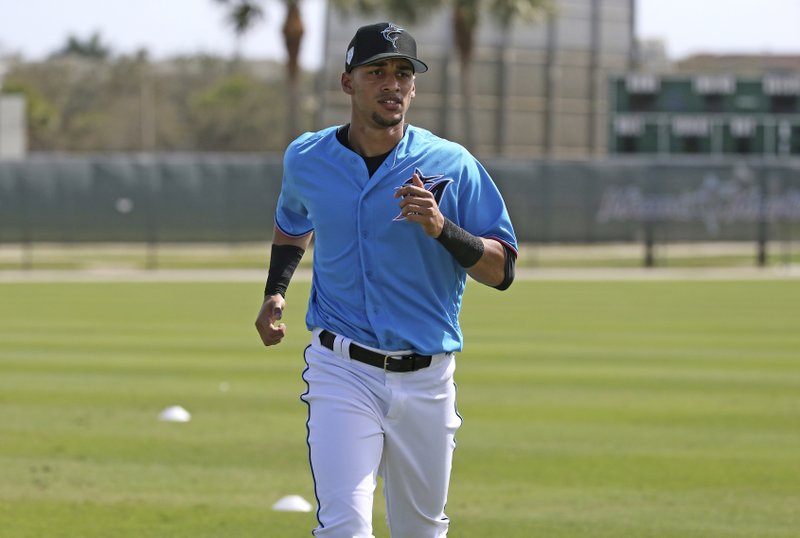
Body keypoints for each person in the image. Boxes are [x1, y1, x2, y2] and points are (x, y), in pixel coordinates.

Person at [255, 21, 517, 538]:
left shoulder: (451, 164)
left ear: (414, 87)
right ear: (348, 82)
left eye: (403, 73)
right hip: (341, 367)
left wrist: (444, 230)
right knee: (345, 527)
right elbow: (292, 229)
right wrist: (275, 292)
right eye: (376, 72)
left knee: (421, 530)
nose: (392, 84)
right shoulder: (307, 158)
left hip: (427, 377)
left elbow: (502, 269)